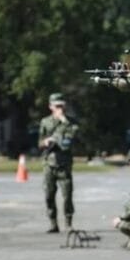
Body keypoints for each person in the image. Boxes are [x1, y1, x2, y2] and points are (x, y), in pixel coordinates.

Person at [39, 93, 78, 233]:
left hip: (64, 164)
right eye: (57, 106)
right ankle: (53, 223)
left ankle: (68, 223)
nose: (60, 108)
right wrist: (45, 142)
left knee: (67, 195)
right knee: (49, 195)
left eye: (62, 106)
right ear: (50, 107)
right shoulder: (45, 122)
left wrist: (64, 120)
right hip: (49, 163)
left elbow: (73, 136)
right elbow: (39, 142)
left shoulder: (71, 122)